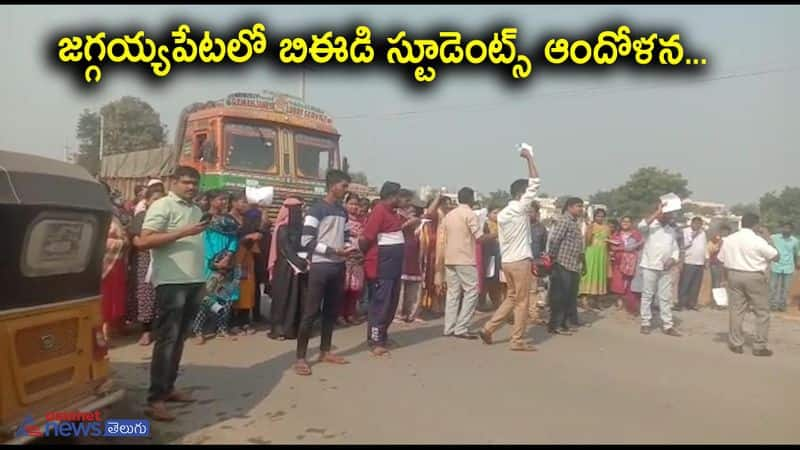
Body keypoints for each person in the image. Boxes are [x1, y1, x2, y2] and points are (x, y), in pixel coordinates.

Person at [138, 166, 208, 422]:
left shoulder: (196, 209)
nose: (191, 187)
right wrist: (183, 233)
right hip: (171, 282)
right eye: (187, 182)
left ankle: (168, 389)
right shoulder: (162, 206)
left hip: (194, 281)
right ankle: (154, 400)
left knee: (179, 339)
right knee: (167, 340)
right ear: (174, 182)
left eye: (195, 183)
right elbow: (144, 241)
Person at [478, 149, 540, 351]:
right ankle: (517, 340)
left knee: (512, 297)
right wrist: (529, 157)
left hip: (507, 261)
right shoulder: (520, 208)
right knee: (522, 302)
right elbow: (535, 181)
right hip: (520, 260)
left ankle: (489, 328)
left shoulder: (503, 213)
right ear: (522, 195)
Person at [295, 169, 354, 376]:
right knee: (311, 313)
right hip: (321, 266)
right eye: (344, 186)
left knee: (331, 312)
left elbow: (346, 235)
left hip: (338, 266)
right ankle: (301, 358)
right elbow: (307, 241)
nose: (346, 190)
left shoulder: (342, 211)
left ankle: (325, 351)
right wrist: (332, 250)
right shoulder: (316, 210)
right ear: (333, 186)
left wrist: (347, 247)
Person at [361, 184, 416, 356]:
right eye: (400, 196)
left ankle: (383, 336)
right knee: (380, 305)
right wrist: (365, 258)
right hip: (381, 268)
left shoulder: (394, 214)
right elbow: (366, 238)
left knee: (391, 304)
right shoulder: (379, 211)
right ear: (392, 196)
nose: (403, 200)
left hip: (394, 268)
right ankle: (375, 340)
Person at [718, 213, 779, 356]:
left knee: (736, 310)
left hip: (733, 274)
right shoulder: (758, 240)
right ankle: (759, 346)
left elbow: (722, 259)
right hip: (754, 276)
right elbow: (776, 256)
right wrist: (768, 238)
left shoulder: (729, 239)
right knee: (762, 312)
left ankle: (736, 343)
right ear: (756, 225)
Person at [191, 190, 241, 344]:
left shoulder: (229, 220)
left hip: (228, 262)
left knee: (226, 297)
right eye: (220, 199)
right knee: (207, 297)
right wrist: (214, 260)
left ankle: (222, 329)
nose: (224, 202)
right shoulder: (205, 218)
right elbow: (203, 239)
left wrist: (229, 255)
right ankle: (198, 330)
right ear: (211, 200)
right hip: (209, 263)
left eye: (225, 199)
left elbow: (234, 238)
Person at [440, 187, 484, 339]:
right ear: (471, 199)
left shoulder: (449, 215)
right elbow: (479, 237)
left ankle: (449, 327)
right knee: (471, 291)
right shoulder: (470, 214)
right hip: (464, 258)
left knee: (453, 293)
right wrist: (495, 235)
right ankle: (461, 327)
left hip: (450, 257)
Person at [127, 188, 166, 346]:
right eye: (155, 199)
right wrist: (150, 244)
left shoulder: (168, 217)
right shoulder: (141, 217)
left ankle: (162, 328)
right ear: (147, 201)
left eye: (161, 199)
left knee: (163, 294)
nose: (158, 202)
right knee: (145, 294)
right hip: (145, 259)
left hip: (165, 257)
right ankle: (146, 331)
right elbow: (136, 241)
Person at [637, 203, 682, 336]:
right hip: (649, 266)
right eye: (665, 213)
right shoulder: (650, 226)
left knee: (665, 297)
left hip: (666, 268)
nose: (668, 216)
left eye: (669, 214)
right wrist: (657, 212)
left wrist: (673, 260)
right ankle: (645, 323)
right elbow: (640, 226)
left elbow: (675, 250)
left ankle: (668, 325)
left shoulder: (671, 230)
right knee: (647, 295)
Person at [267, 197, 308, 340]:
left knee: (298, 299)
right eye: (295, 210)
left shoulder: (301, 227)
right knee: (284, 299)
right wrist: (299, 262)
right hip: (285, 269)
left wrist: (305, 260)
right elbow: (285, 249)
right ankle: (280, 330)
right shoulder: (282, 228)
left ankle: (295, 330)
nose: (299, 213)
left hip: (300, 268)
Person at [547, 197, 585, 335]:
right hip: (562, 262)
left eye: (581, 206)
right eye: (578, 206)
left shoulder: (575, 222)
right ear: (569, 207)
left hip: (572, 264)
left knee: (569, 295)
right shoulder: (564, 220)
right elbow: (555, 239)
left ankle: (563, 323)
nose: (580, 209)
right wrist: (552, 257)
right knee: (559, 296)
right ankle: (555, 325)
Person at [229, 192, 262, 335]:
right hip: (234, 257)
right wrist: (248, 236)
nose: (245, 205)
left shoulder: (247, 218)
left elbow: (261, 226)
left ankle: (244, 320)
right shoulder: (227, 219)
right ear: (233, 203)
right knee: (233, 288)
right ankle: (232, 322)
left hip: (247, 257)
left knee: (247, 288)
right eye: (242, 202)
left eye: (246, 202)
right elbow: (228, 239)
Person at [101, 182, 130, 344]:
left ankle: (106, 330)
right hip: (90, 264)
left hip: (113, 263)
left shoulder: (112, 213)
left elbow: (123, 236)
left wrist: (122, 241)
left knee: (110, 297)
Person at [420, 194, 451, 314]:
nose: (447, 206)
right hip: (435, 250)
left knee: (445, 279)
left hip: (447, 250)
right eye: (445, 203)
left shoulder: (449, 215)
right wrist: (437, 197)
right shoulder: (436, 214)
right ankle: (433, 304)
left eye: (449, 203)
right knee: (434, 277)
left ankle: (441, 304)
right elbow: (428, 213)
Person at [339, 192, 366, 326]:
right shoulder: (342, 219)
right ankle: (339, 314)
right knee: (343, 287)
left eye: (356, 204)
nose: (354, 207)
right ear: (345, 204)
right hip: (344, 256)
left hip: (358, 257)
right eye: (351, 204)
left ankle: (350, 313)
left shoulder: (363, 220)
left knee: (355, 288)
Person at [396, 202, 425, 324]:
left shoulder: (417, 225)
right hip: (402, 259)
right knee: (401, 289)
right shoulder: (399, 221)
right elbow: (399, 228)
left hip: (414, 260)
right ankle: (398, 315)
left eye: (413, 210)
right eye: (409, 209)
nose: (411, 212)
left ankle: (412, 313)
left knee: (414, 288)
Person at [608, 216, 644, 316]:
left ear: (631, 223)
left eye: (628, 221)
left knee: (630, 283)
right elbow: (612, 246)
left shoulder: (636, 234)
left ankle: (631, 305)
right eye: (624, 221)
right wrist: (621, 249)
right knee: (618, 282)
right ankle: (620, 301)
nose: (625, 223)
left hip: (632, 262)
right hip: (619, 260)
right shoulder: (616, 234)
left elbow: (641, 246)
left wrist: (625, 248)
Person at [579, 208, 610, 309]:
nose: (600, 218)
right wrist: (590, 229)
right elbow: (587, 242)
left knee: (600, 276)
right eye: (598, 216)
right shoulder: (591, 226)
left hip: (602, 254)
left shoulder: (607, 228)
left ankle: (598, 301)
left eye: (602, 216)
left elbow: (609, 242)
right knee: (588, 275)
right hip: (591, 253)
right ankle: (584, 300)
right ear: (594, 217)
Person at [675, 217, 708, 311]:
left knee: (696, 284)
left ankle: (692, 303)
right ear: (692, 223)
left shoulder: (703, 233)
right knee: (685, 283)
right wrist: (693, 236)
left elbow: (705, 247)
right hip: (688, 261)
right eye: (696, 223)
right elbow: (683, 245)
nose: (697, 226)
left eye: (699, 224)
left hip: (700, 262)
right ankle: (681, 303)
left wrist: (706, 258)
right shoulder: (685, 231)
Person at [479, 207, 505, 312]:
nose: (497, 215)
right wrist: (495, 235)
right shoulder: (485, 225)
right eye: (494, 212)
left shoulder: (501, 225)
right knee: (486, 280)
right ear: (488, 214)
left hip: (498, 256)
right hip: (488, 256)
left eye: (498, 213)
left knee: (496, 281)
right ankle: (481, 303)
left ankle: (496, 303)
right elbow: (482, 239)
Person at [769, 222, 800, 312]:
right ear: (781, 229)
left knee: (785, 288)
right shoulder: (774, 237)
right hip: (776, 265)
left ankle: (782, 305)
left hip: (788, 267)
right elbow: (766, 242)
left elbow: (797, 253)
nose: (786, 230)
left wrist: (798, 262)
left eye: (788, 228)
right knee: (773, 286)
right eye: (784, 228)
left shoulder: (795, 241)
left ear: (791, 230)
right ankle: (772, 304)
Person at [707, 225, 731, 292]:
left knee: (726, 282)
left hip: (727, 265)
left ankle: (724, 298)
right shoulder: (715, 239)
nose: (726, 233)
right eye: (724, 231)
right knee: (716, 282)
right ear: (720, 232)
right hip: (716, 264)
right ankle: (716, 298)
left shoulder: (731, 240)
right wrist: (718, 245)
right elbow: (709, 250)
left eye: (727, 232)